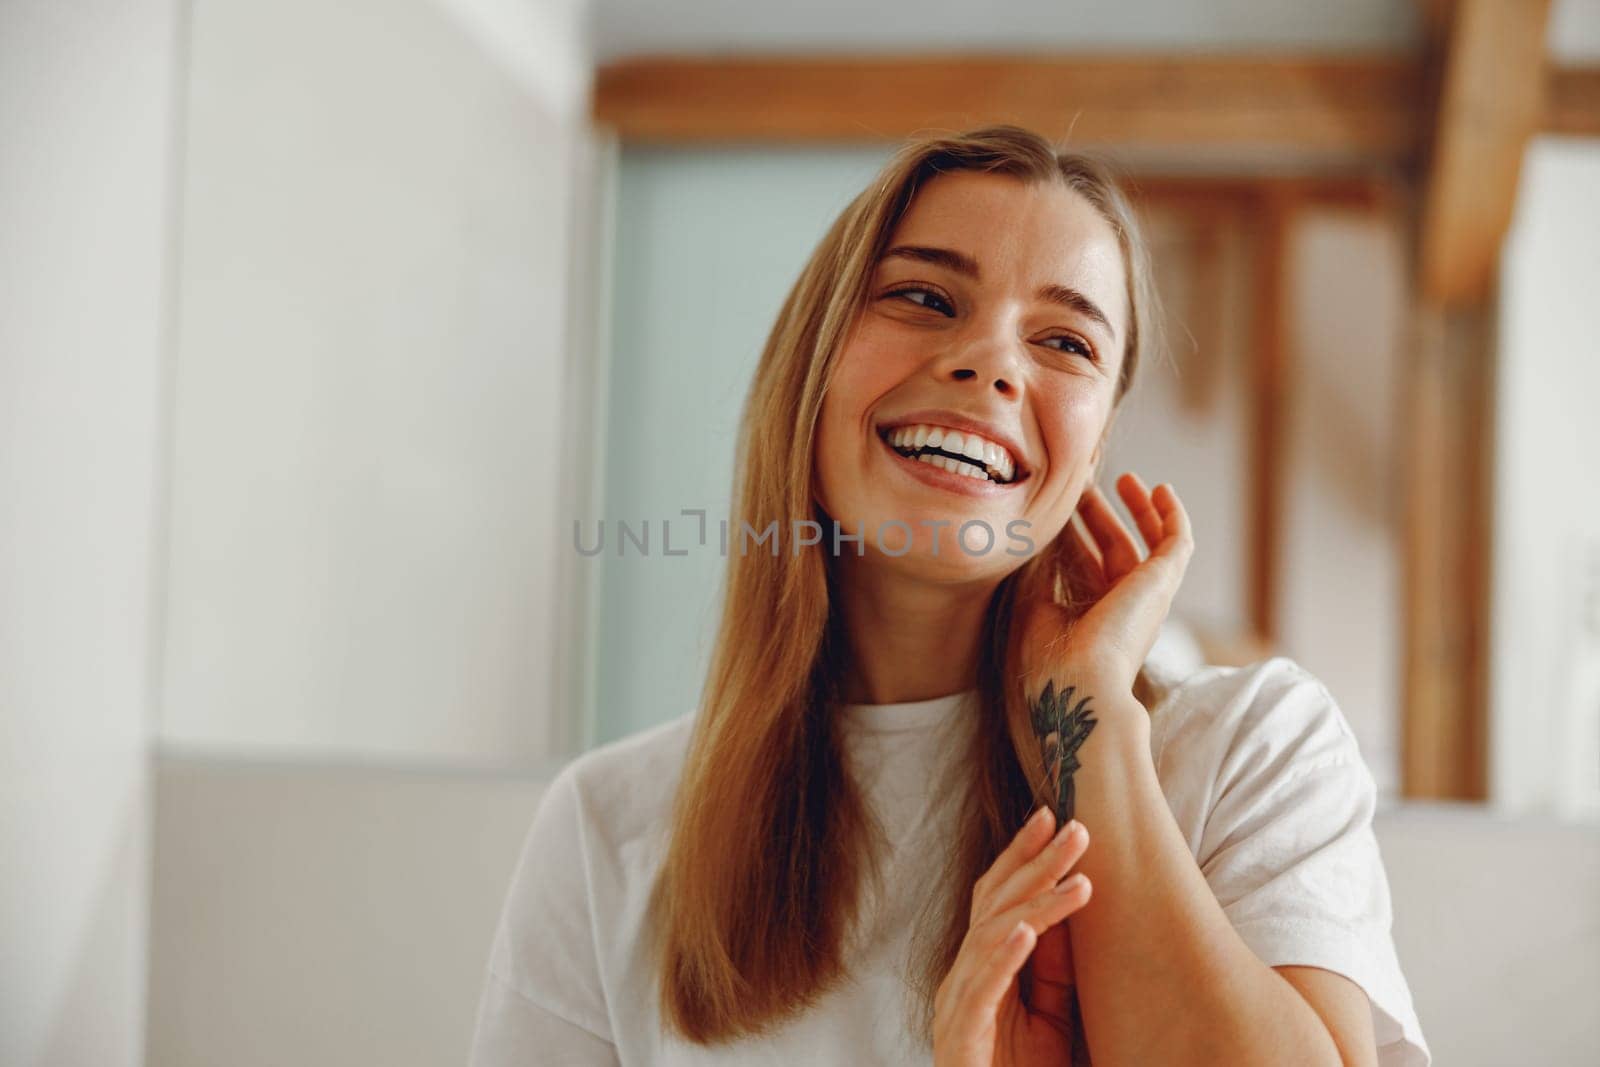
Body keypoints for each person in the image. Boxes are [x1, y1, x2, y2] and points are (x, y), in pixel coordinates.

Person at [469, 126, 1430, 1066]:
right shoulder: (608, 828)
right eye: (925, 297)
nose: (993, 364)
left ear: (1093, 447)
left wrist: (1087, 710)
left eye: (1065, 341)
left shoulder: (1252, 753)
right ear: (812, 368)